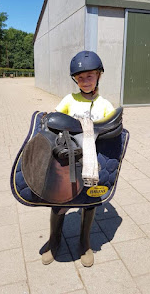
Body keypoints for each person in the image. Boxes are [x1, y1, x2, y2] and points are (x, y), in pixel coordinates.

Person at [41, 50, 115, 267]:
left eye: (89, 76)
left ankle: (84, 242)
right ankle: (54, 239)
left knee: (89, 201)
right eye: (80, 78)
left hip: (92, 159)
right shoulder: (69, 99)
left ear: (98, 76)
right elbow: (54, 118)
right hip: (68, 159)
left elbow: (112, 125)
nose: (84, 81)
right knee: (59, 199)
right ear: (75, 79)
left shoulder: (104, 104)